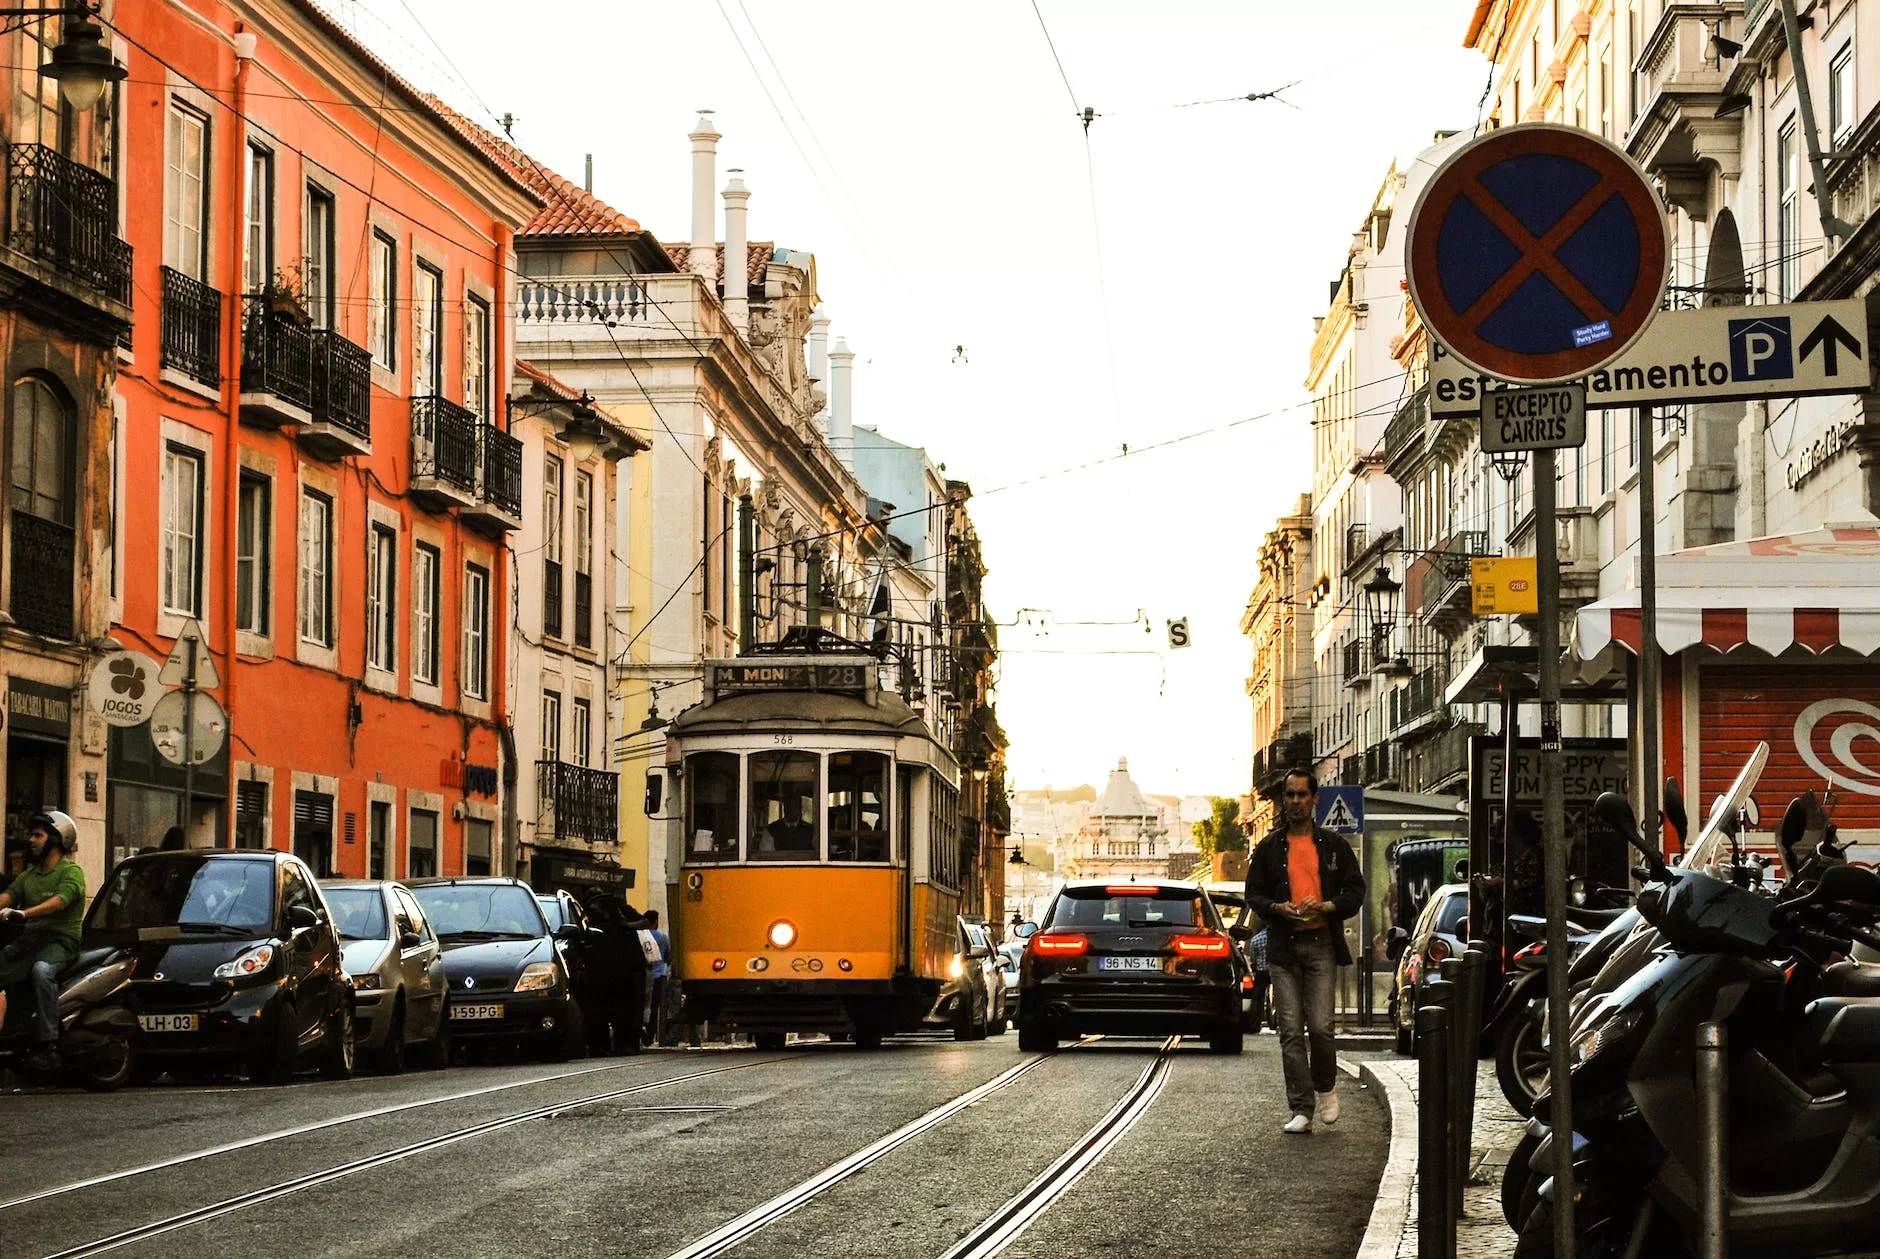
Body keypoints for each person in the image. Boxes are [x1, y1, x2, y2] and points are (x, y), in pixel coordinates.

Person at [1245, 769, 1365, 1135]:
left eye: (1302, 795)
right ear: (1284, 800)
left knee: (1322, 1028)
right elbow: (1254, 894)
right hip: (1284, 948)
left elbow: (1355, 890)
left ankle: (1326, 1087)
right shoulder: (1269, 848)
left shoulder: (1332, 846)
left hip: (1320, 945)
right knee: (1291, 1030)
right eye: (1290, 795)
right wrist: (1278, 908)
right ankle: (1302, 1107)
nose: (1295, 802)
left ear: (1315, 799)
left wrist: (1327, 906)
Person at [0, 811, 86, 1071]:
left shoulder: (71, 872)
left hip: (61, 940)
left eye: (38, 835)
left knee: (41, 971)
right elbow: (10, 894)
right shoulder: (31, 874)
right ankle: (14, 1033)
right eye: (31, 835)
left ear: (57, 840)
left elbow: (61, 901)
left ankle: (49, 1044)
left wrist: (25, 913)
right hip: (32, 940)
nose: (31, 840)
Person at [642, 909, 672, 1046]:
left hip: (642, 975)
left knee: (641, 1005)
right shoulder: (663, 938)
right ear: (656, 922)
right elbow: (668, 958)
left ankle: (641, 1030)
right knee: (655, 1007)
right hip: (658, 976)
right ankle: (651, 1034)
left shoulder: (641, 937)